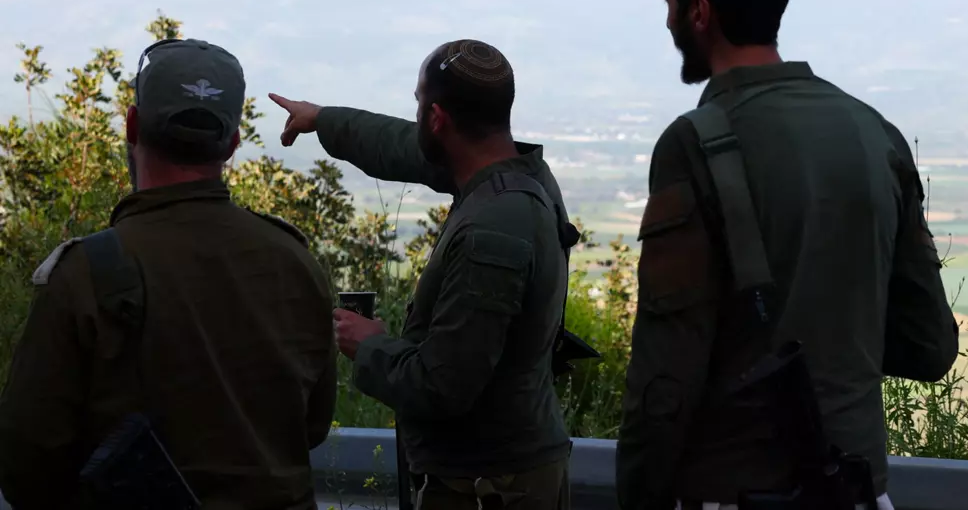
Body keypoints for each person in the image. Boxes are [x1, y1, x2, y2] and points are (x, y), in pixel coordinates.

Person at [615, 0, 961, 510]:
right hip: (857, 488)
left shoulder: (695, 143)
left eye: (671, 4)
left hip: (731, 490)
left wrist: (637, 489)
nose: (668, 20)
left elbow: (667, 369)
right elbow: (929, 345)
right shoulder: (875, 132)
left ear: (699, 12)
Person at [0, 38, 338, 509]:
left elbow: (26, 468)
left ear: (133, 126)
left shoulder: (85, 275)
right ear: (233, 144)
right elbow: (312, 428)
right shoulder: (296, 263)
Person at [269, 38, 574, 510]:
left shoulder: (493, 229)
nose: (416, 120)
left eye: (419, 105)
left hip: (491, 484)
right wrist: (323, 120)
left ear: (437, 120)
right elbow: (399, 146)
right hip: (495, 470)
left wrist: (369, 344)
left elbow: (444, 385)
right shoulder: (518, 174)